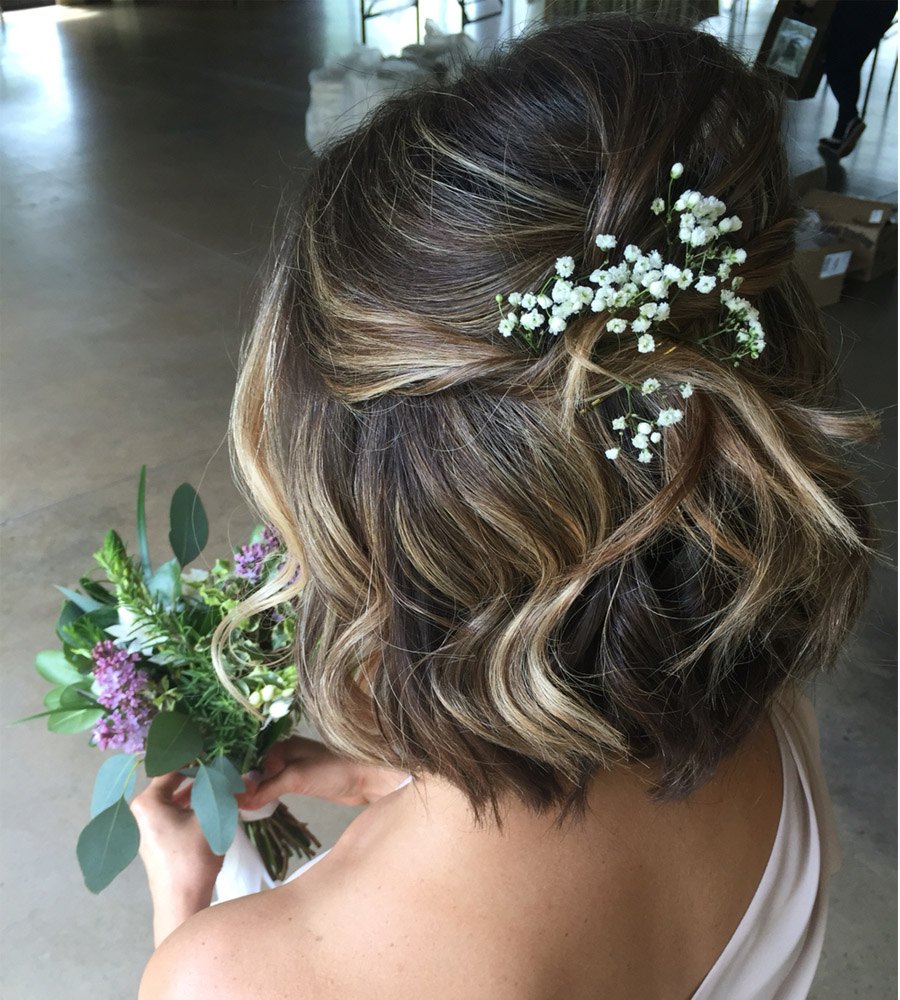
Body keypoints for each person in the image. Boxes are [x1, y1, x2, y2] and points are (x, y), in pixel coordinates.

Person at [133, 14, 878, 999]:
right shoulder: (762, 722)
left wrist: (183, 908)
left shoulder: (245, 972)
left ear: (375, 518)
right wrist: (375, 783)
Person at [818, 0, 897, 158]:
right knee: (851, 65)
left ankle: (849, 117)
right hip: (881, 8)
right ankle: (841, 131)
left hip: (859, 7)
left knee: (836, 62)